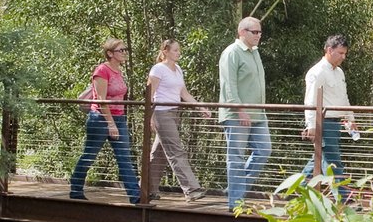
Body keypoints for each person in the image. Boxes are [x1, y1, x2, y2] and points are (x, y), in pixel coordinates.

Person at [69, 37, 140, 202]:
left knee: (124, 157)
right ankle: (76, 188)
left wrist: (116, 121)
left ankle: (136, 196)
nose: (124, 53)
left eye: (125, 50)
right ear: (110, 53)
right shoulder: (102, 70)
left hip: (119, 118)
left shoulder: (119, 71)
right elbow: (101, 100)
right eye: (120, 50)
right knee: (89, 155)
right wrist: (110, 123)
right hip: (100, 119)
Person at [216, 15, 271, 208]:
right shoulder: (232, 52)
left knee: (264, 150)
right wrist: (239, 109)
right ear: (242, 32)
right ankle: (235, 202)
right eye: (254, 32)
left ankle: (235, 189)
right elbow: (229, 85)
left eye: (260, 32)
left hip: (257, 113)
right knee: (236, 157)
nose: (258, 35)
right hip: (236, 114)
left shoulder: (254, 52)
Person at [144, 38, 205, 203]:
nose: (179, 53)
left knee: (159, 154)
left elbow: (184, 94)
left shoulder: (178, 69)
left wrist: (200, 107)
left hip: (174, 113)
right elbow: (149, 95)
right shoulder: (158, 69)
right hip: (161, 113)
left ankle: (146, 189)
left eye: (179, 50)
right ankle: (191, 190)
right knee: (176, 151)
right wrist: (149, 117)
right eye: (175, 50)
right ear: (165, 51)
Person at [302, 34, 360, 191]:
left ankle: (295, 192)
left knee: (317, 161)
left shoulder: (339, 72)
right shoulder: (317, 72)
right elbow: (311, 101)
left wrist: (350, 119)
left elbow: (343, 98)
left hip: (335, 123)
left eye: (345, 53)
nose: (344, 57)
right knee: (333, 162)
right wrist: (312, 126)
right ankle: (344, 200)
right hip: (324, 123)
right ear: (329, 50)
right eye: (341, 53)